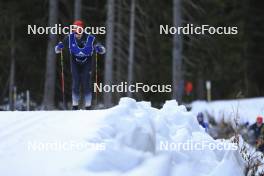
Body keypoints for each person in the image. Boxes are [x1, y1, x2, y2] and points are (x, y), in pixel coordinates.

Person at [55, 20, 105, 110]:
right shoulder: (69, 38)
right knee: (76, 82)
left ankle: (88, 106)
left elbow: (100, 46)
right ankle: (75, 106)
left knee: (86, 82)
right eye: (75, 31)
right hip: (75, 62)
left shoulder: (90, 38)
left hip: (87, 62)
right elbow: (60, 46)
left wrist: (100, 48)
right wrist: (59, 48)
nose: (77, 34)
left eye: (79, 31)